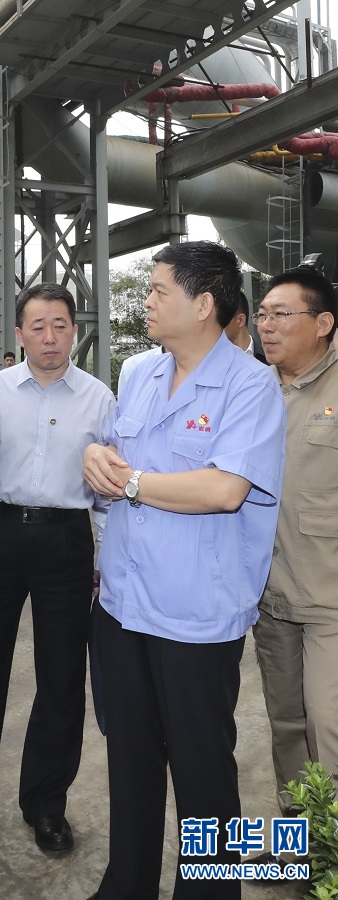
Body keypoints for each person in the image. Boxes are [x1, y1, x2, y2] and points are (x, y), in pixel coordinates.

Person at [83, 241, 286, 900]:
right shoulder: (139, 371)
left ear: (203, 305)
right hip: (123, 604)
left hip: (195, 615)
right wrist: (96, 460)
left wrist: (132, 482)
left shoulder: (250, 385)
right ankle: (127, 885)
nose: (146, 300)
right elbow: (116, 458)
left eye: (158, 289)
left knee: (203, 777)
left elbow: (225, 489)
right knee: (130, 762)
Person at [0, 283, 115, 880]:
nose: (50, 337)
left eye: (60, 325)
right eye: (37, 326)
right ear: (18, 333)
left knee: (62, 676)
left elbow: (109, 487)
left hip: (66, 540)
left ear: (75, 331)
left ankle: (46, 802)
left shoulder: (99, 399)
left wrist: (103, 553)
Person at [252, 267, 338, 835]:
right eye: (262, 314)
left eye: (281, 314)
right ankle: (302, 842)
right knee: (285, 725)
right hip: (270, 596)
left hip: (331, 599)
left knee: (328, 725)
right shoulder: (254, 391)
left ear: (323, 323)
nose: (267, 325)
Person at [224, 290, 266, 362]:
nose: (214, 326)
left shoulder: (269, 358)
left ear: (240, 320)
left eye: (220, 319)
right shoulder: (212, 361)